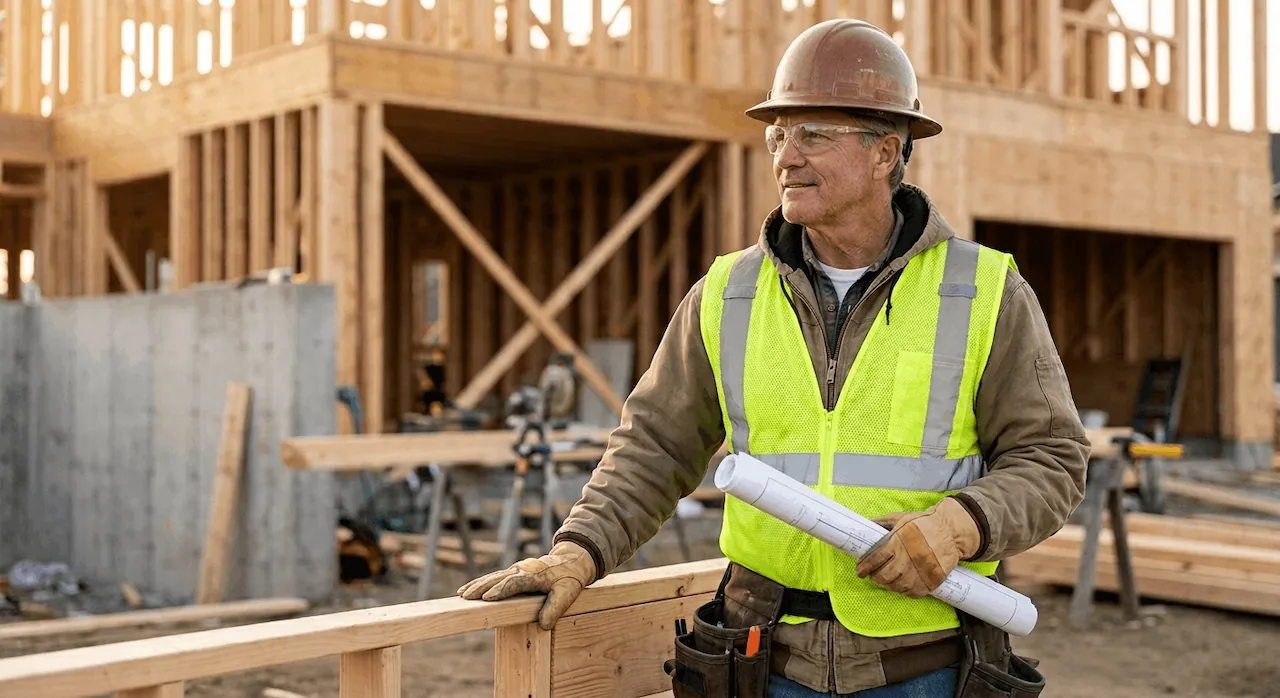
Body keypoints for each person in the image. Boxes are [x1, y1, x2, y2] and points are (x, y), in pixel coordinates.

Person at [458, 18, 1089, 698]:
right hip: (764, 660)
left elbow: (1051, 458)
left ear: (886, 152)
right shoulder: (728, 293)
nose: (786, 155)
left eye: (812, 133)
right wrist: (577, 551)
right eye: (778, 135)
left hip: (923, 668)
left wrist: (962, 524)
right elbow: (654, 446)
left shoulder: (983, 289)